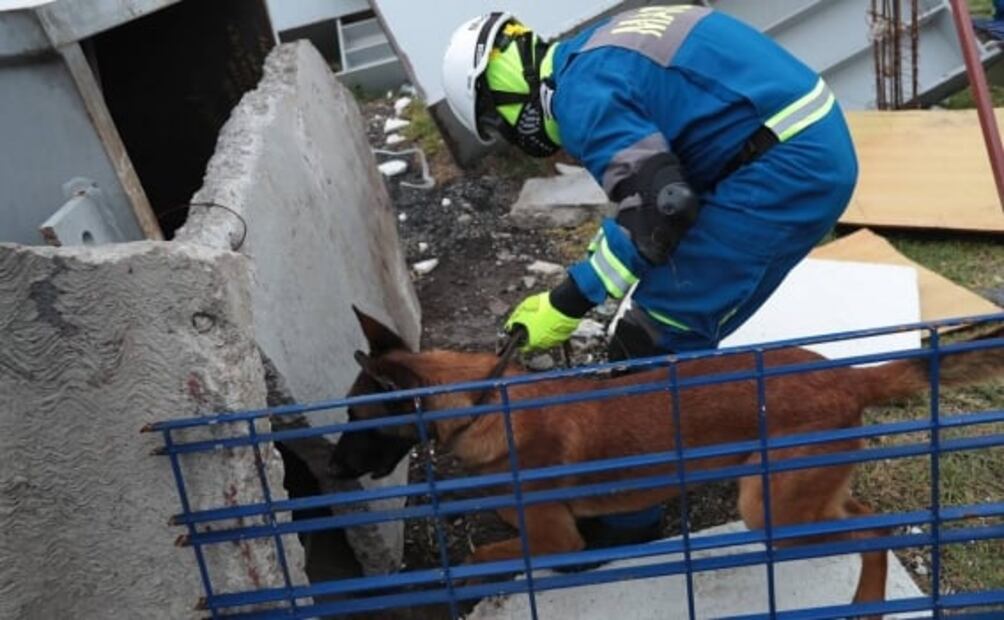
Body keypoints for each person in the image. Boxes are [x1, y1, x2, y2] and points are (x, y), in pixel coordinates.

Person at [441, 6, 858, 547]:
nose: (517, 140)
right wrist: (584, 275)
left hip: (782, 170)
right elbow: (655, 192)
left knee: (652, 336)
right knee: (681, 314)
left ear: (500, 99)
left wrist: (568, 302)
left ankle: (628, 521)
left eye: (500, 128)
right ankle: (716, 435)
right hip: (789, 147)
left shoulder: (579, 98)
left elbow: (664, 207)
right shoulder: (589, 54)